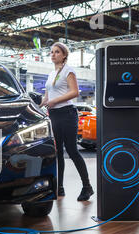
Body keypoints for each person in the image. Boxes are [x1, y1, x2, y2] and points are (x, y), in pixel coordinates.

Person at [41, 42, 94, 201]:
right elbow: (47, 96)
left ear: (64, 55)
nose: (53, 54)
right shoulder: (51, 73)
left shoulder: (68, 70)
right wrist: (37, 106)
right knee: (57, 153)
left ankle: (87, 187)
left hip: (67, 114)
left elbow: (75, 92)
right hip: (54, 115)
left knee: (72, 151)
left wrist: (55, 101)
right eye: (51, 52)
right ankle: (60, 187)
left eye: (57, 52)